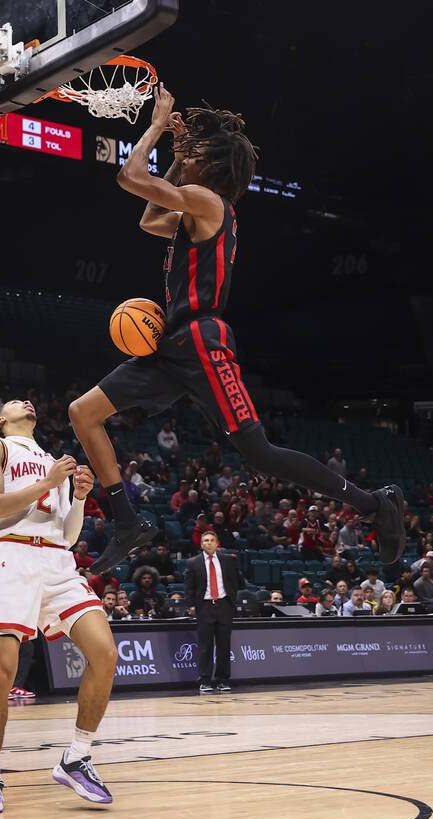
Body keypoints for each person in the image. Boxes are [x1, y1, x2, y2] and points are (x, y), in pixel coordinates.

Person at [66, 85, 405, 574]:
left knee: (260, 453)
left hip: (202, 342)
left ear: (214, 165)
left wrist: (159, 126)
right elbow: (149, 219)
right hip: (173, 344)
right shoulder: (196, 203)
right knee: (83, 413)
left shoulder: (210, 201)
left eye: (194, 151)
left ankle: (375, 504)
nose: (186, 152)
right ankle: (126, 522)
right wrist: (180, 158)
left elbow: (130, 176)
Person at [0, 399, 116, 814]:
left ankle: (77, 756)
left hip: (56, 560)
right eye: (15, 402)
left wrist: (81, 498)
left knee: (105, 653)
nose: (26, 402)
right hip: (9, 556)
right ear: (1, 418)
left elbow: (68, 536)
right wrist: (46, 482)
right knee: (1, 672)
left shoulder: (55, 462)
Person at [185, 530, 242, 692]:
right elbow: (189, 587)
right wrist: (192, 606)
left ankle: (223, 679)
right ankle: (205, 680)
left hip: (224, 605)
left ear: (217, 543)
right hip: (205, 607)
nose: (209, 543)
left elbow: (234, 582)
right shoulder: (193, 563)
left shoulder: (227, 560)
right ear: (201, 544)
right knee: (206, 646)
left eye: (211, 540)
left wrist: (231, 602)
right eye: (205, 541)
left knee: (224, 645)